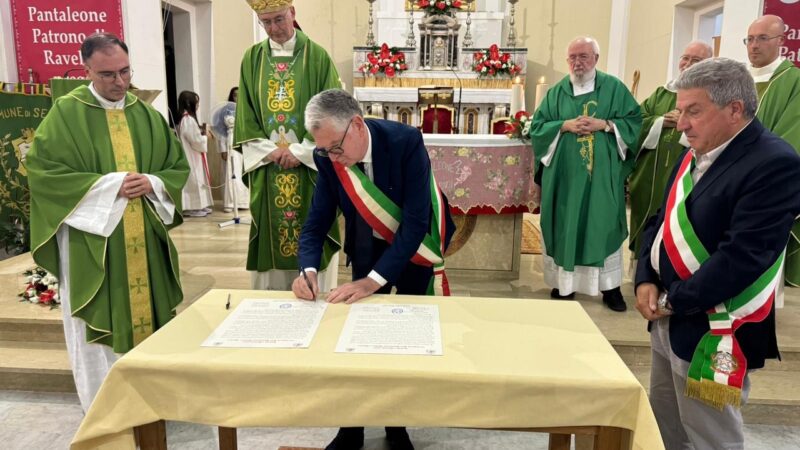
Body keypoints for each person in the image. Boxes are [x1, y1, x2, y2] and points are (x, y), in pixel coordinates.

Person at [635, 58, 800, 450]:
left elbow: (745, 255)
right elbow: (661, 218)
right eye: (681, 110)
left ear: (735, 109)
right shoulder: (697, 149)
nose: (682, 122)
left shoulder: (774, 162)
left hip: (715, 326)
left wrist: (674, 300)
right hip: (667, 315)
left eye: (694, 111)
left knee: (712, 438)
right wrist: (645, 276)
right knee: (667, 425)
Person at [26, 33, 188, 413]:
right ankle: (105, 408)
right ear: (87, 71)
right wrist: (111, 185)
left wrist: (153, 182)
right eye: (107, 75)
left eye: (125, 71)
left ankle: (151, 403)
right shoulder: (67, 112)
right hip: (92, 244)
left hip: (143, 240)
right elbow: (43, 172)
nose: (119, 82)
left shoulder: (145, 114)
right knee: (97, 327)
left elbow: (176, 167)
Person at [292, 89, 455, 450]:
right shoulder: (327, 157)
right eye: (323, 151)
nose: (332, 158)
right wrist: (308, 268)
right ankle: (351, 427)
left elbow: (415, 222)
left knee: (405, 339)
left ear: (357, 125)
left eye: (336, 147)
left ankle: (397, 424)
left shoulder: (405, 141)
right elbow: (317, 220)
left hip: (415, 248)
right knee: (358, 342)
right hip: (367, 245)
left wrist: (374, 282)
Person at [529, 36, 642, 312]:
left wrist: (604, 124)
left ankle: (610, 288)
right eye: (573, 57)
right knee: (566, 222)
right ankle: (564, 284)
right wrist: (564, 125)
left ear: (596, 59)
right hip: (565, 178)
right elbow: (537, 127)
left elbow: (634, 122)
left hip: (601, 178)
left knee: (602, 223)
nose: (578, 62)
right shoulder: (557, 92)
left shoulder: (614, 88)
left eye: (584, 56)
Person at [235, 0, 340, 291]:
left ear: (293, 13)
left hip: (309, 170)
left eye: (279, 19)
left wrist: (300, 151)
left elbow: (332, 111)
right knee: (271, 238)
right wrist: (268, 151)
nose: (274, 28)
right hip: (268, 168)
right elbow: (245, 114)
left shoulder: (317, 57)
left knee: (313, 227)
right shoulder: (251, 58)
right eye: (265, 22)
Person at [628, 41, 713, 258]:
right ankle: (642, 267)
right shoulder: (662, 93)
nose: (688, 64)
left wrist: (684, 124)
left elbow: (715, 130)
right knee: (649, 218)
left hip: (688, 171)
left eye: (697, 60)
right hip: (651, 174)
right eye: (685, 58)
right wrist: (658, 121)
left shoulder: (711, 96)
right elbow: (637, 120)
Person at [745, 14, 800, 289]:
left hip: (766, 181)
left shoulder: (794, 81)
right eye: (750, 39)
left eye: (763, 38)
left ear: (781, 40)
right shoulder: (737, 77)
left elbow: (792, 135)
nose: (754, 45)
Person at [177, 90, 214, 217]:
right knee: (194, 180)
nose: (197, 105)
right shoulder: (188, 119)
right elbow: (196, 140)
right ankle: (191, 207)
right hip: (191, 155)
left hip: (195, 154)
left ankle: (200, 205)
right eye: (196, 103)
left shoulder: (188, 119)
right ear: (189, 103)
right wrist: (205, 137)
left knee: (198, 180)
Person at [219, 86, 250, 213]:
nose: (236, 97)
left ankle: (243, 201)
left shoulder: (246, 109)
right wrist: (222, 149)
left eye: (239, 95)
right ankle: (230, 202)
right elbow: (220, 132)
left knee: (241, 170)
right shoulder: (225, 111)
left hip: (243, 142)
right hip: (230, 141)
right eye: (234, 95)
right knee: (231, 171)